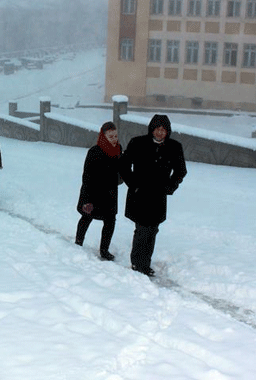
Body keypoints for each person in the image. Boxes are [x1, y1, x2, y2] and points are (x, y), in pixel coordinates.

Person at [119, 114, 187, 277]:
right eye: (157, 129)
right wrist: (133, 183)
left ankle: (145, 264)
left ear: (167, 131)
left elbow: (180, 170)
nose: (160, 132)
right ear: (151, 129)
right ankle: (137, 264)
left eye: (163, 130)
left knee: (152, 230)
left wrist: (170, 187)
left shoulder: (174, 147)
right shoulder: (138, 143)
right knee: (142, 229)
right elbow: (123, 164)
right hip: (140, 194)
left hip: (158, 195)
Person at [75, 122, 122, 261]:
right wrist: (87, 199)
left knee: (110, 221)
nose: (114, 139)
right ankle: (78, 242)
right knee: (87, 217)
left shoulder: (119, 150)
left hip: (110, 194)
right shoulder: (94, 152)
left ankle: (104, 250)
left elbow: (121, 172)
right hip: (93, 192)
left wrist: (120, 178)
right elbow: (87, 176)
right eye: (110, 136)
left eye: (116, 136)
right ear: (103, 136)